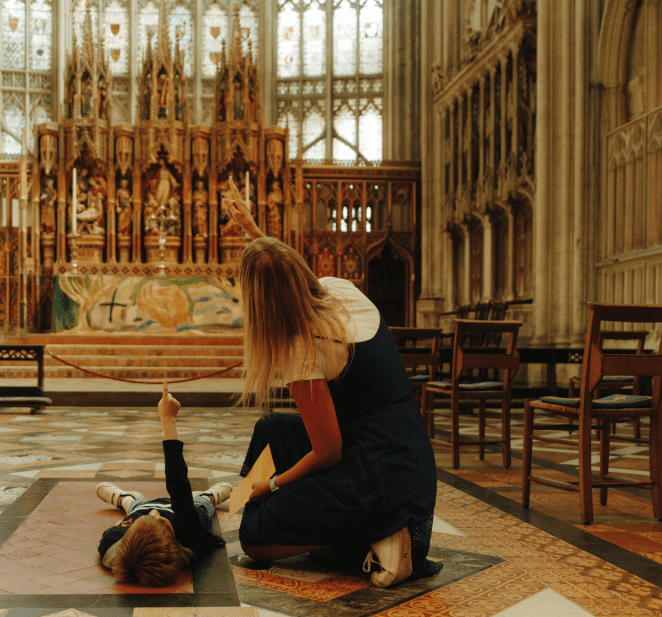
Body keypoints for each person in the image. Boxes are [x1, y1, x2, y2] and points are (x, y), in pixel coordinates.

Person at [221, 179, 441, 587]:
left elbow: (329, 452)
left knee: (253, 538)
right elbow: (292, 275)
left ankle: (374, 537)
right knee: (271, 430)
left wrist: (268, 485)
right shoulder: (340, 291)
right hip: (406, 455)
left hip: (378, 472)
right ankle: (249, 505)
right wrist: (257, 235)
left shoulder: (303, 347)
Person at [96, 383, 232, 587]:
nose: (155, 513)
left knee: (137, 509)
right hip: (191, 509)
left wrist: (132, 523)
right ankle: (210, 495)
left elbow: (114, 529)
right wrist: (168, 421)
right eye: (160, 521)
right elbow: (179, 487)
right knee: (202, 503)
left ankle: (125, 498)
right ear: (174, 545)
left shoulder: (113, 549)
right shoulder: (188, 540)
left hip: (139, 513)